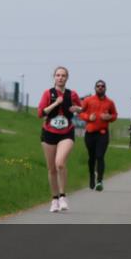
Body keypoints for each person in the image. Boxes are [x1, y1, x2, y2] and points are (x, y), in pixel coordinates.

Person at [36, 66, 83, 213]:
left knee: (60, 163)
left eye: (63, 75)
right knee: (51, 169)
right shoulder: (48, 93)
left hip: (66, 132)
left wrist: (77, 109)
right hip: (49, 133)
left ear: (67, 78)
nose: (60, 78)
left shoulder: (72, 94)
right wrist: (56, 103)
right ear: (54, 77)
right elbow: (40, 113)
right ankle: (54, 199)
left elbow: (80, 108)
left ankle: (63, 196)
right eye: (58, 75)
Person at [79, 80, 117, 191]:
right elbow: (81, 112)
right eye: (98, 86)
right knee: (92, 157)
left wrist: (109, 117)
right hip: (90, 133)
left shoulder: (110, 102)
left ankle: (99, 180)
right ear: (95, 88)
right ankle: (92, 177)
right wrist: (88, 118)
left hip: (103, 133)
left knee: (100, 156)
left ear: (105, 88)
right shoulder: (88, 100)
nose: (100, 87)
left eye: (102, 86)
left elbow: (115, 115)